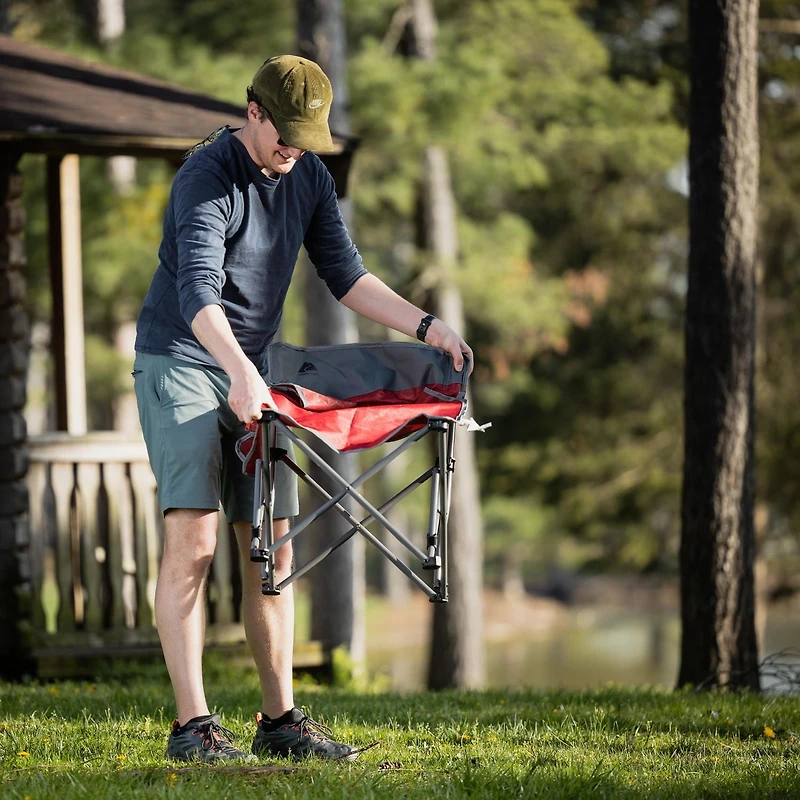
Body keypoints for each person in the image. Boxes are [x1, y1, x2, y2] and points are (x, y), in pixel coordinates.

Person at [133, 54, 472, 763]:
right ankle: (192, 728)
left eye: (305, 138)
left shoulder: (308, 174)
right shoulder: (206, 176)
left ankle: (279, 722)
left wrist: (425, 325)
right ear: (252, 111)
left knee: (271, 547)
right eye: (284, 134)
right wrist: (237, 373)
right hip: (185, 359)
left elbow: (345, 273)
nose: (293, 150)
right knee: (194, 540)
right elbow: (198, 291)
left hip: (251, 369)